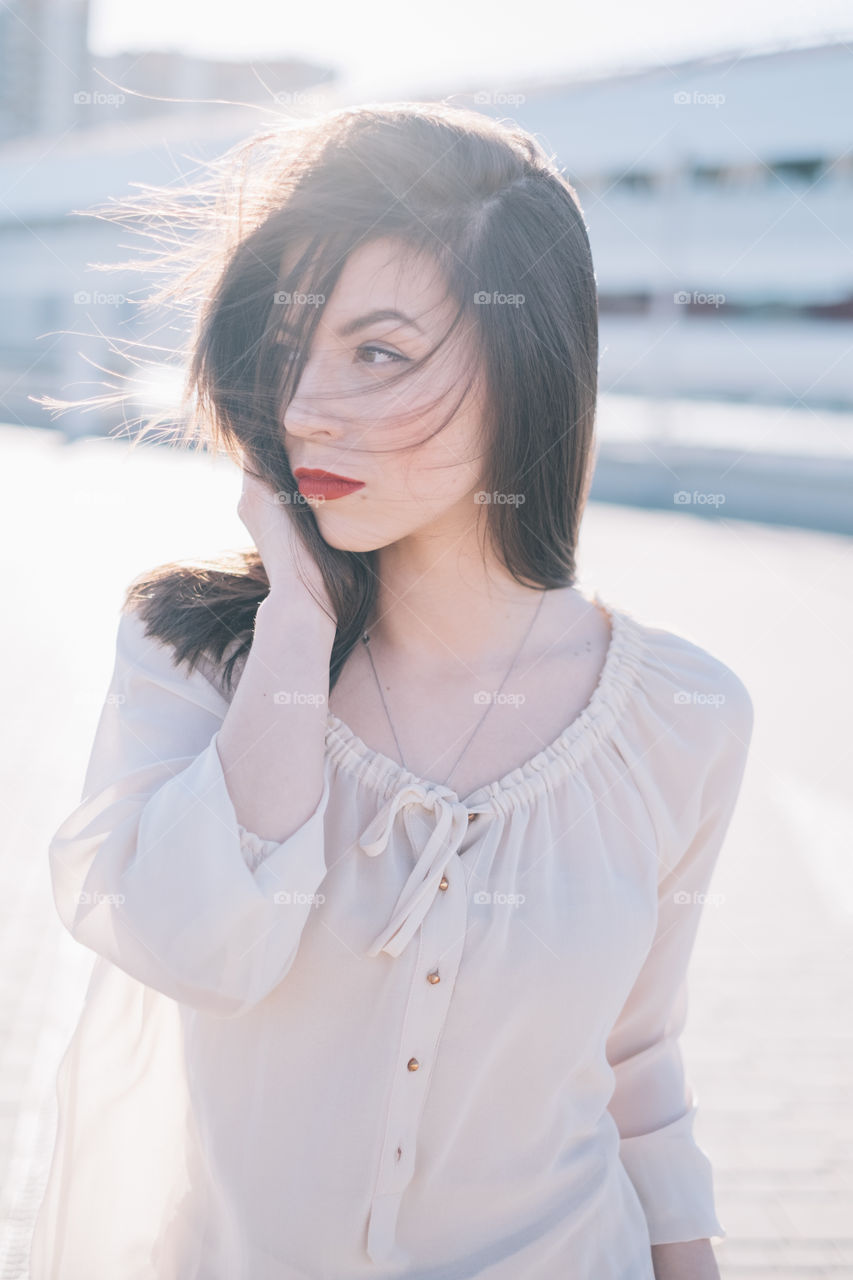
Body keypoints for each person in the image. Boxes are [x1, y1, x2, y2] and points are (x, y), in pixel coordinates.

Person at [29, 101, 752, 1279]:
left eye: (379, 351)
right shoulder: (195, 657)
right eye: (290, 349)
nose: (307, 405)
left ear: (530, 359)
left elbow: (637, 1061)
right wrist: (296, 630)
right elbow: (193, 946)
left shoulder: (684, 717)